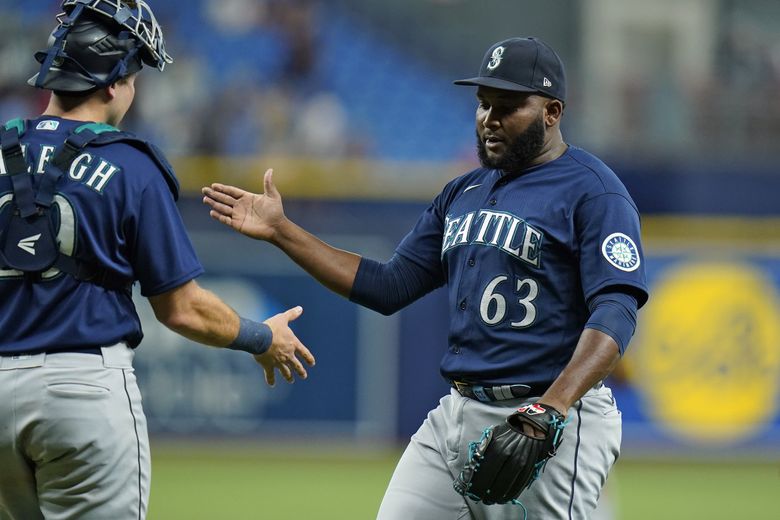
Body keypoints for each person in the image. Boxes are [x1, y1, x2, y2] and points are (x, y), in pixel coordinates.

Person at [203, 36, 648, 519]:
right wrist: (281, 231)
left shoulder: (594, 191)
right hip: (456, 414)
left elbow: (617, 309)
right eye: (483, 104)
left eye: (508, 106)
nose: (489, 119)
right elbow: (389, 285)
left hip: (546, 417)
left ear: (552, 112)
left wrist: (550, 410)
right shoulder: (463, 191)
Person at [0, 2, 314, 519]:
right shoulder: (131, 164)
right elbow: (181, 309)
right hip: (81, 391)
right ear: (112, 83)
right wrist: (263, 337)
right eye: (134, 72)